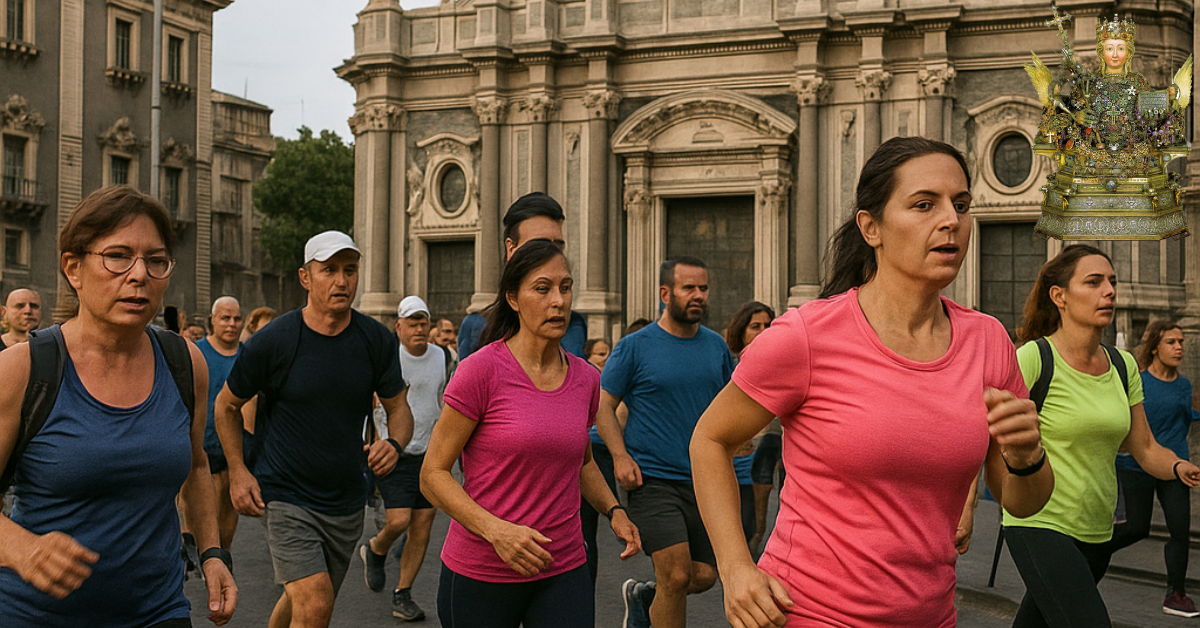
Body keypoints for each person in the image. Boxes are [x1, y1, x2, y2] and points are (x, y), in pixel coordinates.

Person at [689, 136, 1054, 627]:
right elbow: (710, 438)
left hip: (931, 616)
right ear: (871, 227)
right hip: (808, 613)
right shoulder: (807, 336)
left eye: (961, 205)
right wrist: (735, 569)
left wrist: (1028, 457)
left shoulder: (989, 342)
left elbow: (1021, 502)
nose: (951, 220)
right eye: (924, 205)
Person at [0, 185, 237, 626]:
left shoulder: (185, 363)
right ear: (73, 268)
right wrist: (22, 547)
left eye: (155, 260)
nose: (138, 275)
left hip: (157, 611)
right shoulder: (23, 370)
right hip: (36, 615)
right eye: (117, 256)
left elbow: (197, 467)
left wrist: (212, 553)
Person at [422, 240, 640, 628]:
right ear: (514, 298)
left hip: (563, 567)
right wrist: (497, 532)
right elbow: (432, 475)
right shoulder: (479, 371)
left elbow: (581, 461)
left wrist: (614, 511)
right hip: (482, 569)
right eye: (543, 289)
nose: (558, 300)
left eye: (565, 287)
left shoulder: (587, 378)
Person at [213, 230, 413, 628]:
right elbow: (226, 406)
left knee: (304, 602)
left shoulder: (375, 340)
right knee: (316, 602)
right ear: (306, 277)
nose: (342, 281)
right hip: (286, 494)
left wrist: (394, 442)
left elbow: (399, 408)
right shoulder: (274, 341)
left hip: (345, 498)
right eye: (329, 270)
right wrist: (238, 470)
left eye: (350, 270)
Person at [1005, 245, 1200, 627]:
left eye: (1111, 281)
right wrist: (966, 511)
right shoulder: (1033, 358)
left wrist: (1178, 466)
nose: (1109, 291)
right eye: (1093, 282)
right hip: (1038, 523)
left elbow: (1144, 447)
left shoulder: (1123, 365)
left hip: (1097, 531)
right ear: (1059, 296)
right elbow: (986, 439)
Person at [596, 255, 734, 628]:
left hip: (704, 480)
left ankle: (645, 597)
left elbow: (728, 405)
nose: (698, 296)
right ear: (664, 293)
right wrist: (620, 456)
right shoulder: (635, 347)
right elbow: (603, 406)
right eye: (688, 288)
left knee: (703, 576)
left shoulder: (715, 347)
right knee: (675, 575)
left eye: (703, 288)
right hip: (652, 480)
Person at [359, 295, 449, 621]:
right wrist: (367, 443)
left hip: (428, 454)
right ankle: (375, 549)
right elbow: (364, 403)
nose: (419, 329)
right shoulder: (387, 357)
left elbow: (442, 398)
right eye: (412, 323)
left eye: (424, 322)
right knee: (398, 521)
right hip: (392, 451)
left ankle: (403, 593)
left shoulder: (442, 356)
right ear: (398, 326)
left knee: (422, 527)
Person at [1105, 320, 1200, 616]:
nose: (1179, 347)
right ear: (1156, 347)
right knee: (1136, 528)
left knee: (1180, 530)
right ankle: (1090, 553)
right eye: (1172, 342)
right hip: (1136, 464)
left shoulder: (1184, 384)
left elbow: (1186, 416)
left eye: (1181, 342)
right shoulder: (1141, 381)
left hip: (1175, 465)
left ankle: (1176, 594)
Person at [457, 192, 587, 360]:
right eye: (540, 245)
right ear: (511, 248)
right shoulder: (477, 327)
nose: (552, 255)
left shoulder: (574, 326)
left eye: (558, 246)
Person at [723, 301, 778, 554]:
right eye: (755, 326)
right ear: (741, 331)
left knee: (756, 532)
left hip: (762, 464)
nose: (763, 331)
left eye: (768, 325)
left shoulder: (783, 366)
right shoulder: (730, 368)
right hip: (731, 464)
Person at [194, 296, 245, 551]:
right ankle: (197, 547)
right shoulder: (196, 353)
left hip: (234, 444)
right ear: (212, 320)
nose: (231, 324)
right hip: (199, 441)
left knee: (229, 505)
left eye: (237, 319)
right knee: (202, 505)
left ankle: (223, 553)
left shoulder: (248, 356)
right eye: (225, 318)